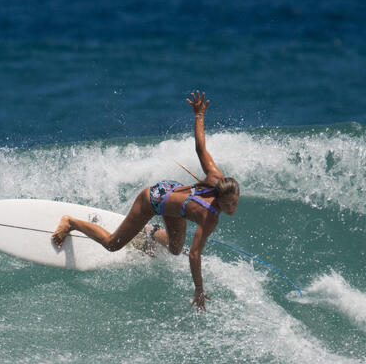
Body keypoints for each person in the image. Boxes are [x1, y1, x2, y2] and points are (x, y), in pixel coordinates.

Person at [51, 91, 239, 310]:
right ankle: (71, 222)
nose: (231, 208)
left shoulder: (219, 179)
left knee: (176, 249)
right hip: (153, 199)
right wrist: (199, 289)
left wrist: (199, 115)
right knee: (113, 245)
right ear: (219, 197)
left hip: (173, 197)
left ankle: (148, 233)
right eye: (227, 205)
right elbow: (195, 255)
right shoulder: (210, 214)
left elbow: (201, 148)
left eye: (234, 203)